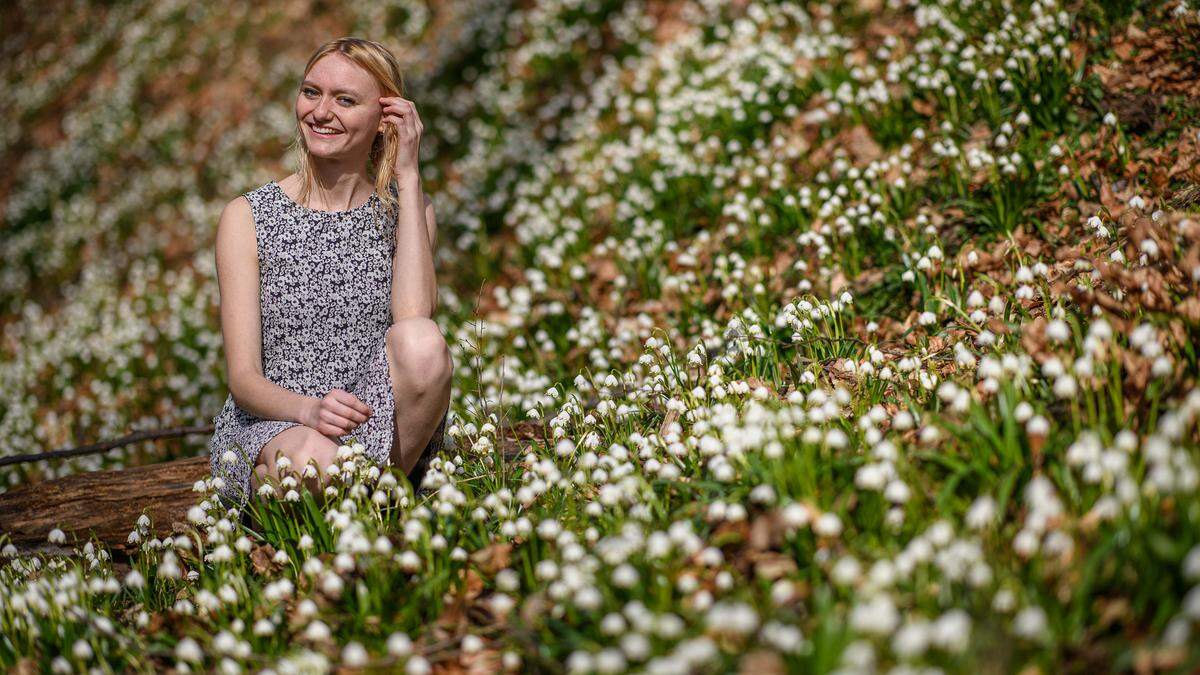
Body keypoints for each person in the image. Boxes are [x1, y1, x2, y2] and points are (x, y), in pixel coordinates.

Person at [207, 37, 451, 515]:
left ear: (385, 120)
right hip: (276, 421)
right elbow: (243, 378)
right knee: (317, 460)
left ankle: (365, 498)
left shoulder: (409, 210)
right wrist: (310, 411)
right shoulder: (247, 217)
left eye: (345, 100)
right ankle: (378, 509)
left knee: (423, 340)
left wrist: (410, 176)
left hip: (380, 418)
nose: (320, 112)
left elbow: (414, 322)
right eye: (311, 92)